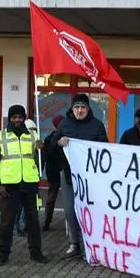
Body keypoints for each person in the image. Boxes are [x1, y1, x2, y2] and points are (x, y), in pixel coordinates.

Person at [0, 104, 47, 265]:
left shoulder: (33, 135)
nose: (17, 120)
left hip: (29, 184)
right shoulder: (0, 137)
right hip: (9, 187)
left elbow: (40, 159)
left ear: (24, 118)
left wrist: (42, 149)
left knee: (33, 221)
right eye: (14, 117)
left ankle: (36, 252)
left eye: (20, 117)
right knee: (6, 222)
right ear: (9, 118)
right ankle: (3, 254)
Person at [52, 94, 109, 260]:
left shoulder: (97, 126)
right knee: (70, 211)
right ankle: (74, 244)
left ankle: (90, 245)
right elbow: (52, 146)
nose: (79, 110)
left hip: (90, 178)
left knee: (90, 211)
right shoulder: (65, 124)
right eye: (76, 107)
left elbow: (103, 148)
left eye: (83, 107)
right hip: (69, 175)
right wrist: (58, 142)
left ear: (88, 109)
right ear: (72, 109)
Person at [41, 115, 65, 231]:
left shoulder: (68, 138)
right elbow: (47, 156)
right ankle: (47, 221)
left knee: (53, 198)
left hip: (60, 172)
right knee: (52, 198)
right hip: (56, 171)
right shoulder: (50, 139)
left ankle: (47, 222)